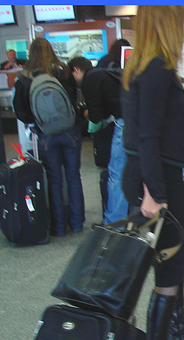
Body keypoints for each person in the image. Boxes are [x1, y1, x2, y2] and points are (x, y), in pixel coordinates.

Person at [121, 5, 184, 340]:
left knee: (178, 255)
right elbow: (148, 138)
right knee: (169, 268)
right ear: (167, 24)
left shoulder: (142, 68)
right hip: (157, 182)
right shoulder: (156, 70)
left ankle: (177, 335)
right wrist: (154, 194)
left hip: (152, 177)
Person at [13, 38, 85, 237]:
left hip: (45, 135)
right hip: (70, 132)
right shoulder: (63, 71)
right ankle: (77, 222)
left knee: (53, 180)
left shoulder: (24, 78)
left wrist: (38, 123)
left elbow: (20, 112)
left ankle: (58, 226)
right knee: (73, 177)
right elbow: (74, 100)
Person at [68, 56, 129, 224]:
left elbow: (96, 117)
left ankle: (114, 223)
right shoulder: (105, 74)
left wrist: (85, 114)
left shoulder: (90, 80)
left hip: (124, 125)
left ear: (76, 70)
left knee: (116, 176)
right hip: (136, 121)